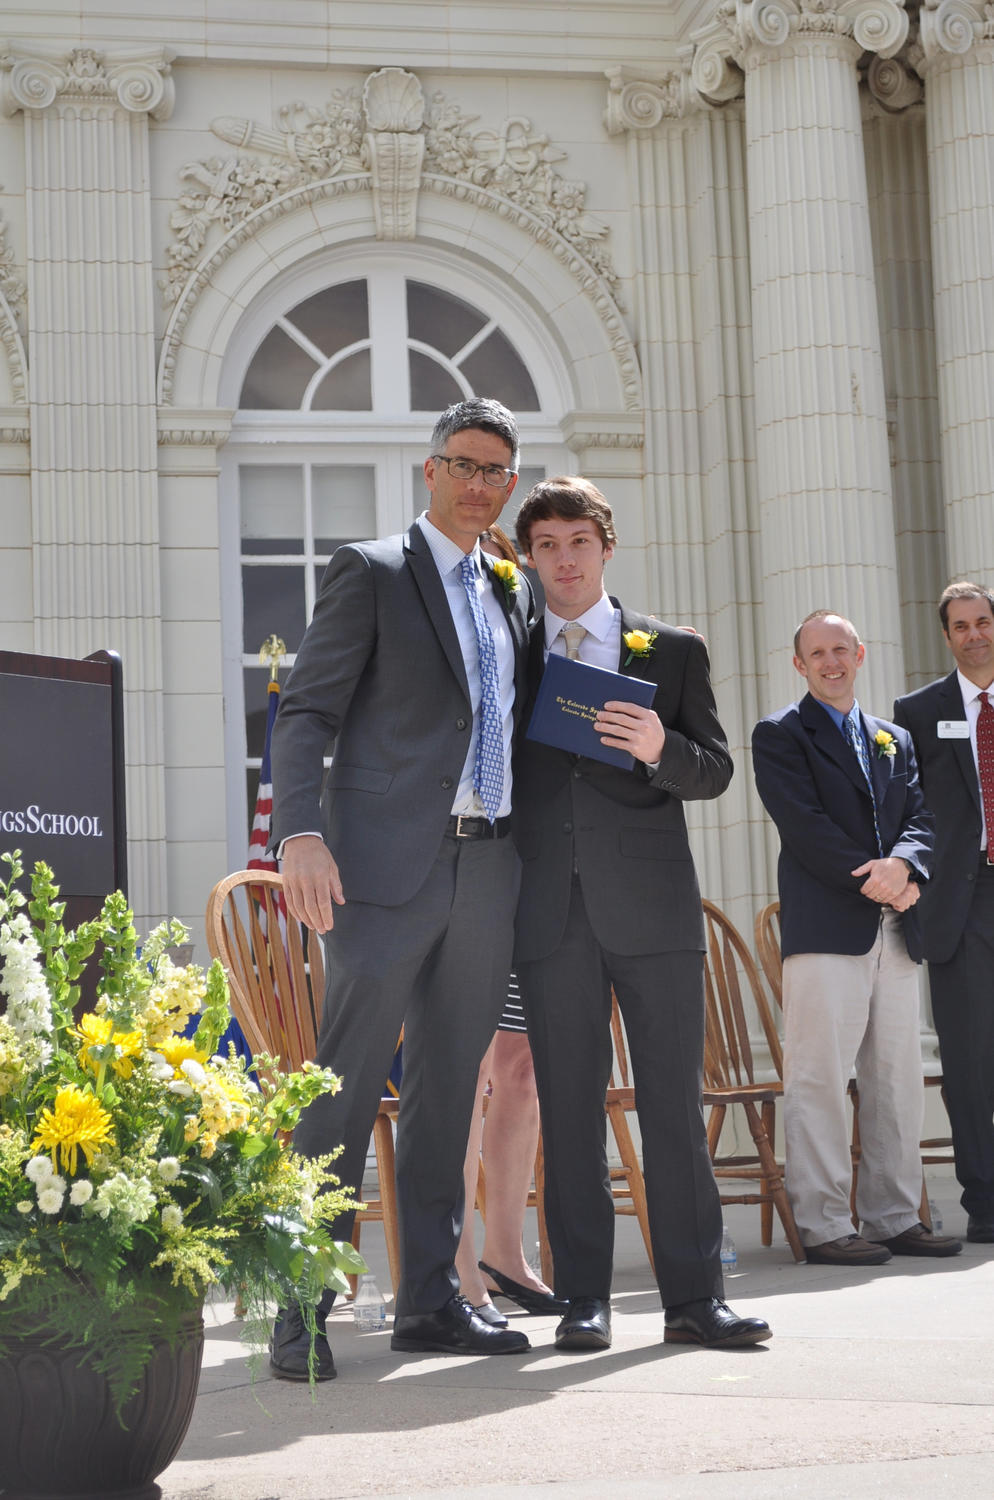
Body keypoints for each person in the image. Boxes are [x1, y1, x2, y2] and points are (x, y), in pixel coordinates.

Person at [268, 398, 534, 1377]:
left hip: (487, 865)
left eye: (496, 471)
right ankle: (300, 1309)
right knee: (339, 1094)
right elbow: (305, 714)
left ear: (511, 482)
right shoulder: (372, 572)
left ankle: (429, 1303)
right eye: (463, 464)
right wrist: (298, 832)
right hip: (381, 870)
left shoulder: (511, 591)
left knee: (444, 1095)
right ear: (429, 470)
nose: (478, 484)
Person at [511, 475, 772, 1351]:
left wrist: (663, 749)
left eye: (578, 541)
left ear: (606, 546)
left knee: (671, 1106)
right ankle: (584, 1298)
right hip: (550, 913)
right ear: (530, 556)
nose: (564, 560)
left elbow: (716, 770)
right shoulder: (511, 652)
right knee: (570, 1109)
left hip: (655, 912)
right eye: (546, 545)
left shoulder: (670, 649)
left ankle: (696, 1299)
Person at [751, 610, 961, 1266]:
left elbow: (923, 817)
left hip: (897, 930)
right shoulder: (780, 735)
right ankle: (823, 1224)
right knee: (818, 1076)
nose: (830, 661)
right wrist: (880, 878)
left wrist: (907, 869)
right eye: (817, 652)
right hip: (826, 930)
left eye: (840, 649)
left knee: (894, 1076)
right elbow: (805, 826)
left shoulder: (893, 737)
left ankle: (894, 1216)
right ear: (800, 664)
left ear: (860, 653)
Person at [455, 525, 566, 1326]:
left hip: (534, 874)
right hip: (466, 868)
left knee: (521, 1068)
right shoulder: (460, 622)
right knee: (465, 1072)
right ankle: (457, 1264)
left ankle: (506, 1252)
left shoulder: (542, 628)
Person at [893, 581, 994, 1243]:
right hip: (963, 901)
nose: (974, 634)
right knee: (968, 1058)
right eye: (960, 626)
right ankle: (985, 1202)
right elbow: (904, 807)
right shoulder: (919, 711)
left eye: (983, 622)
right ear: (947, 636)